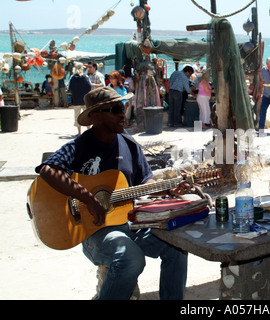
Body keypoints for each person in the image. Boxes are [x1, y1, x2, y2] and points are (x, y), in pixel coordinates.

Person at [35, 86, 190, 300]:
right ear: (95, 115)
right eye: (116, 109)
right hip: (93, 230)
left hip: (131, 222)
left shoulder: (129, 144)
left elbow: (146, 181)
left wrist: (168, 189)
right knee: (131, 257)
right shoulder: (80, 146)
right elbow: (48, 170)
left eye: (123, 107)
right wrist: (89, 199)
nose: (122, 114)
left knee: (177, 248)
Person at [67, 62, 92, 136]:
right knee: (87, 115)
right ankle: (89, 131)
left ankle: (79, 132)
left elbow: (69, 88)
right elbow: (89, 87)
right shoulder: (86, 77)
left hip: (76, 100)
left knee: (77, 116)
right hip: (85, 100)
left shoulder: (72, 77)